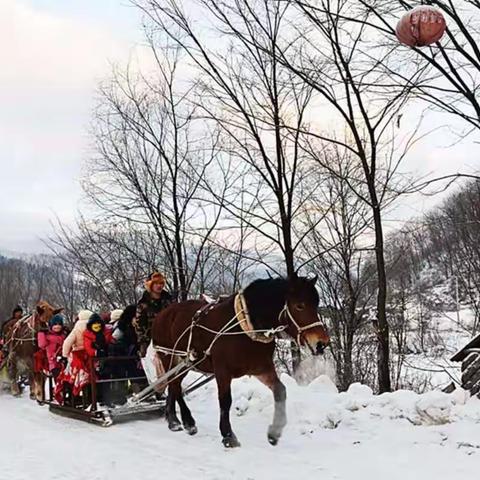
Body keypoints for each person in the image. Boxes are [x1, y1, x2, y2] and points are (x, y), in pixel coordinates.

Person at [134, 272, 173, 357]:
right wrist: (143, 344)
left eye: (161, 283)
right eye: (156, 283)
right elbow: (139, 326)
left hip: (169, 340)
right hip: (151, 342)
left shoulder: (169, 300)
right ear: (150, 285)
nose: (159, 286)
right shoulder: (143, 304)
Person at [37, 314, 67, 378]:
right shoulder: (48, 336)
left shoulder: (63, 334)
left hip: (64, 360)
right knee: (58, 380)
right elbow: (41, 345)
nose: (57, 326)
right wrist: (41, 333)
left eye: (59, 324)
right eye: (55, 325)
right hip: (53, 362)